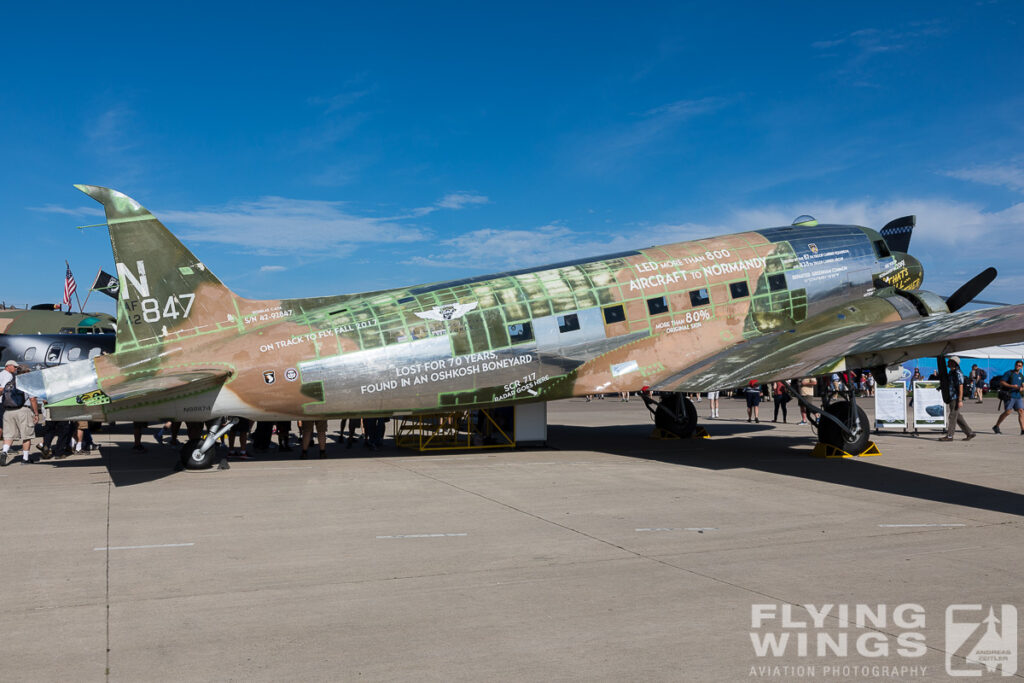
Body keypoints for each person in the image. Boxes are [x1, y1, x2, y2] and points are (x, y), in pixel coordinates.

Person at [1, 360, 42, 466]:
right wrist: (36, 413)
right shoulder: (27, 384)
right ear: (25, 373)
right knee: (26, 435)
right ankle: (25, 458)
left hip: (8, 411)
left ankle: (4, 451)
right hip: (23, 410)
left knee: (9, 435)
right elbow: (32, 399)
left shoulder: (10, 382)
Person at [940, 356, 976, 442]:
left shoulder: (958, 373)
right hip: (951, 396)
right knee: (957, 416)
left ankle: (949, 436)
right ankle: (969, 433)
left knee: (952, 416)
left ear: (954, 363)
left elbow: (960, 387)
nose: (948, 362)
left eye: (950, 361)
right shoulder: (951, 372)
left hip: (955, 397)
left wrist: (960, 400)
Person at [993, 360, 1024, 435]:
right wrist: (1012, 386)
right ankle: (996, 426)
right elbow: (1002, 382)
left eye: (1020, 365)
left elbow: (1023, 384)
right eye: (1017, 365)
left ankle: (1023, 430)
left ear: (1021, 367)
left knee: (1021, 411)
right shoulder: (1009, 373)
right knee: (1008, 412)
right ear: (1015, 365)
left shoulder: (1021, 375)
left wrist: (1022, 388)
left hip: (1018, 396)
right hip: (1009, 395)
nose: (1018, 366)